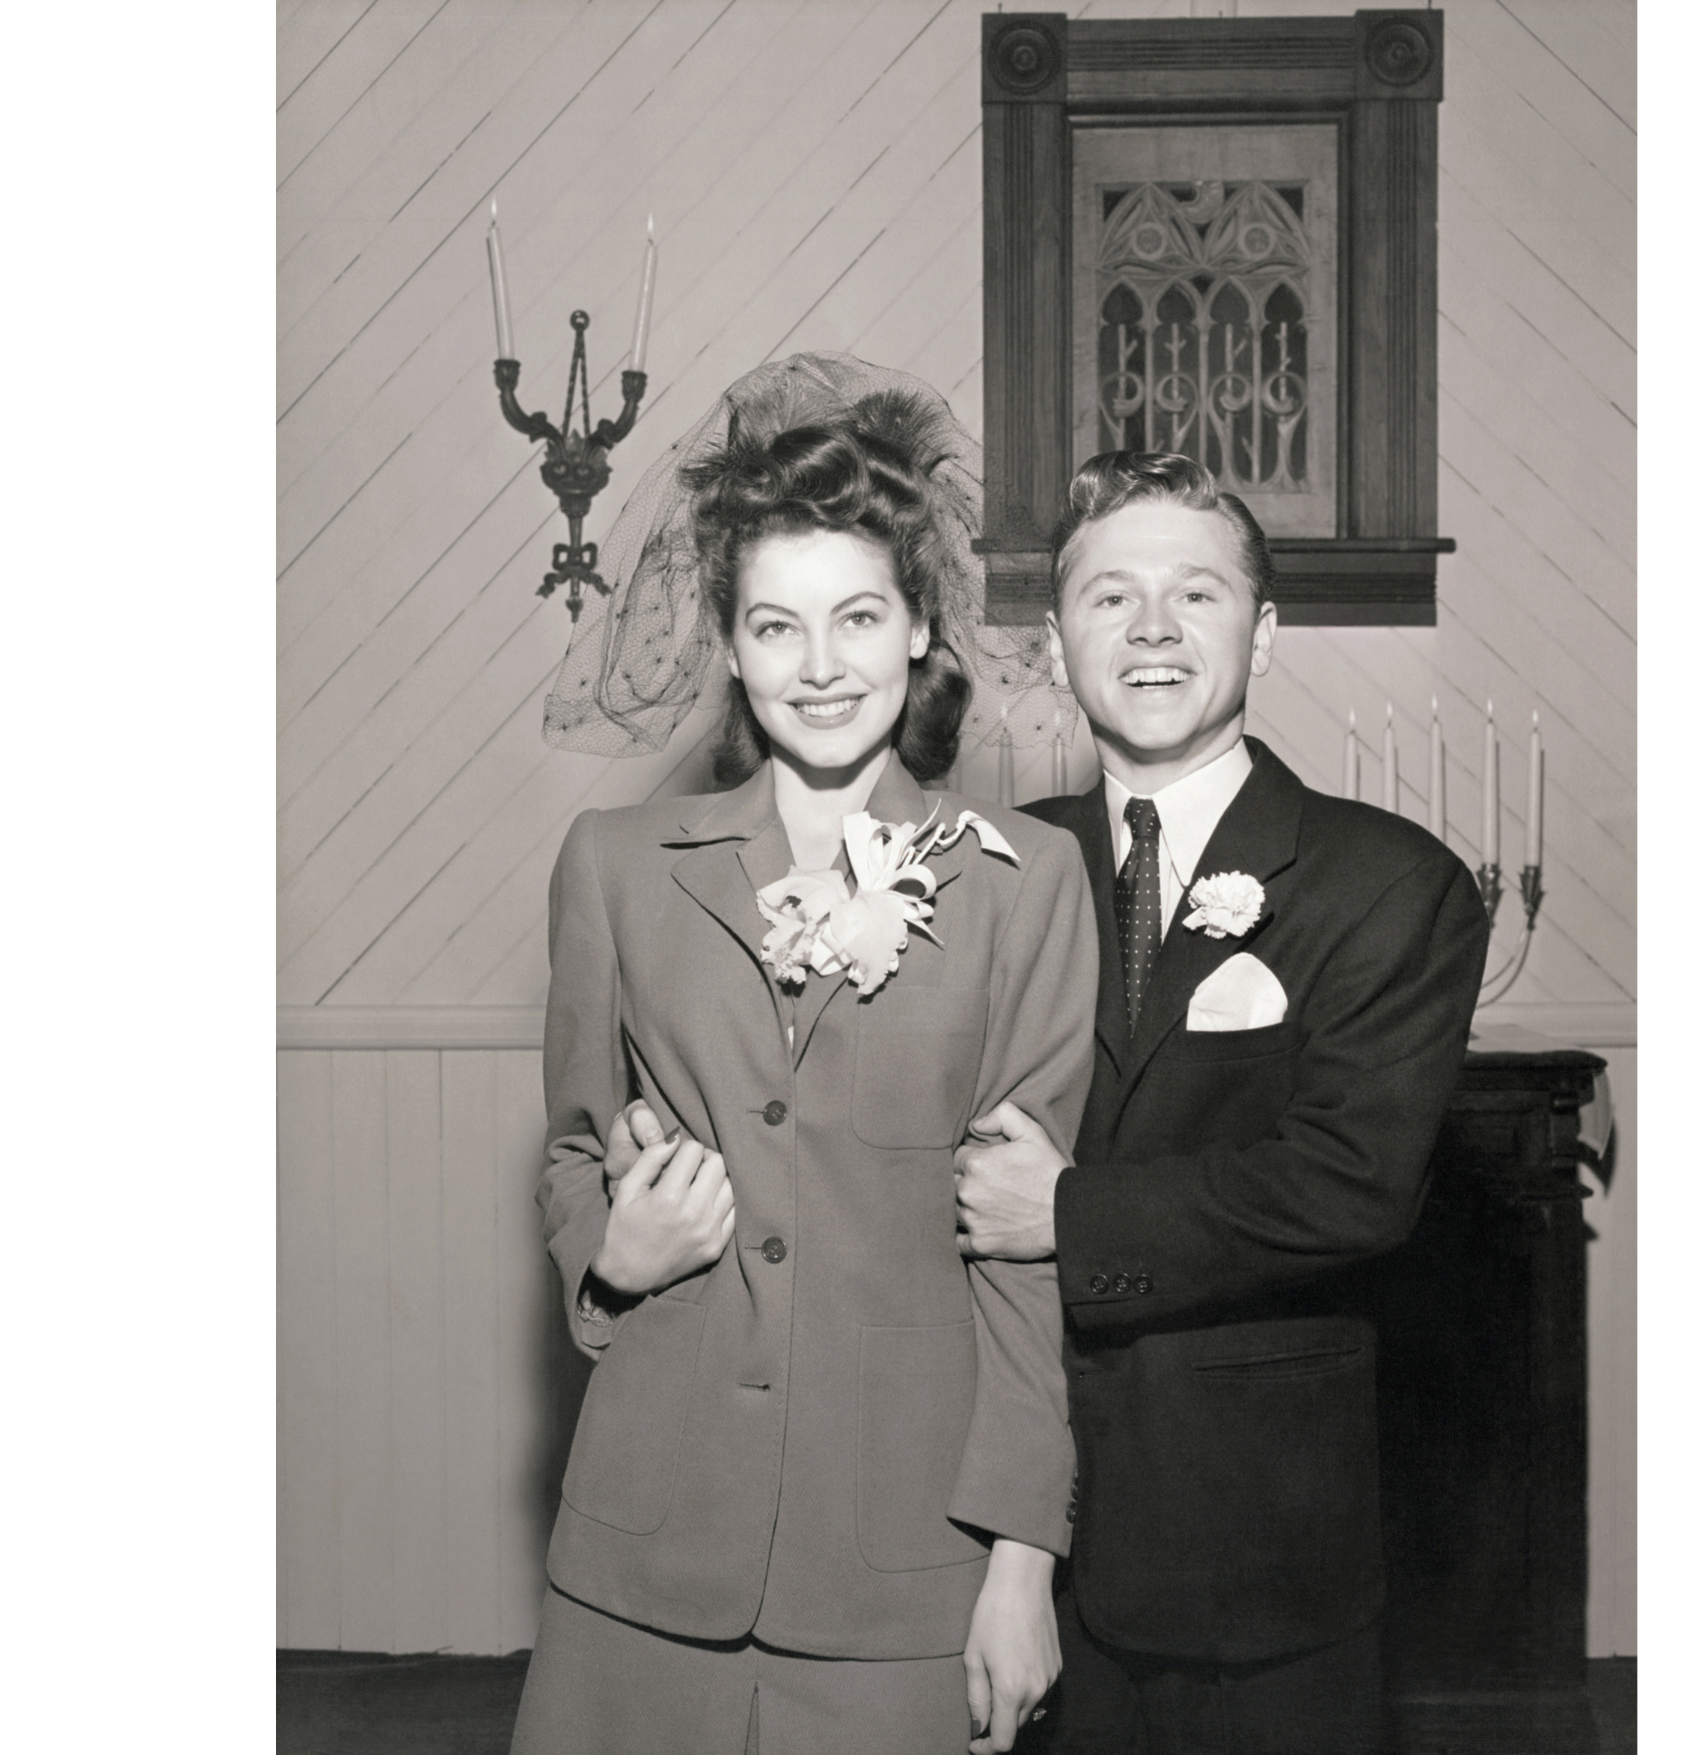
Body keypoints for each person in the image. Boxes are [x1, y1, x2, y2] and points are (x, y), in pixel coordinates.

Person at [509, 387, 1100, 1755]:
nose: (821, 666)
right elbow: (574, 1152)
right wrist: (611, 1257)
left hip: (904, 1562)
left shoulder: (1026, 883)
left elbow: (1024, 1253)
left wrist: (1022, 1560)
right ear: (729, 644)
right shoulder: (614, 866)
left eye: (859, 617)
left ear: (921, 627)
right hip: (644, 1552)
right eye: (777, 625)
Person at [952, 451, 1494, 1753]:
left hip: (1258, 1555)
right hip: (983, 1525)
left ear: (1265, 630)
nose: (1151, 628)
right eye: (1110, 596)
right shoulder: (981, 871)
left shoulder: (1390, 883)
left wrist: (1064, 1215)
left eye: (1195, 594)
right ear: (1055, 642)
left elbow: (1351, 1184)